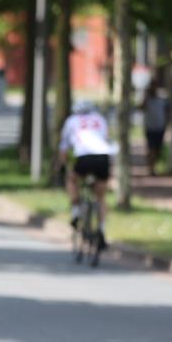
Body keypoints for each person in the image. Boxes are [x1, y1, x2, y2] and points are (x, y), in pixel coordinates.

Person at [58, 100, 114, 249]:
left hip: (84, 156)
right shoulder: (100, 119)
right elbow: (107, 139)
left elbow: (64, 146)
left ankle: (76, 211)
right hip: (103, 156)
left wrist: (63, 166)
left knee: (72, 180)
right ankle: (101, 230)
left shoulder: (72, 121)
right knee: (101, 197)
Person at [141, 80, 169, 176]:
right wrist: (145, 97)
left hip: (160, 127)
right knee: (151, 148)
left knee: (158, 149)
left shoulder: (162, 98)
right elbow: (141, 107)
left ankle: (153, 165)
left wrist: (167, 123)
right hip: (150, 127)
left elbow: (167, 111)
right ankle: (151, 168)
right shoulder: (147, 98)